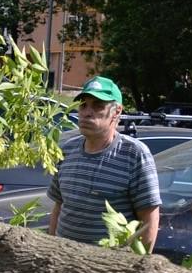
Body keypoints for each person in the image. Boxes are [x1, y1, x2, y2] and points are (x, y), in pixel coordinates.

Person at [47, 76, 161, 251]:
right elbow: (59, 206)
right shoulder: (67, 150)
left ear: (116, 112)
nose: (87, 112)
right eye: (83, 105)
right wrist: (50, 250)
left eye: (98, 106)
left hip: (108, 269)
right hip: (64, 261)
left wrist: (139, 268)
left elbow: (149, 218)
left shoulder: (134, 154)